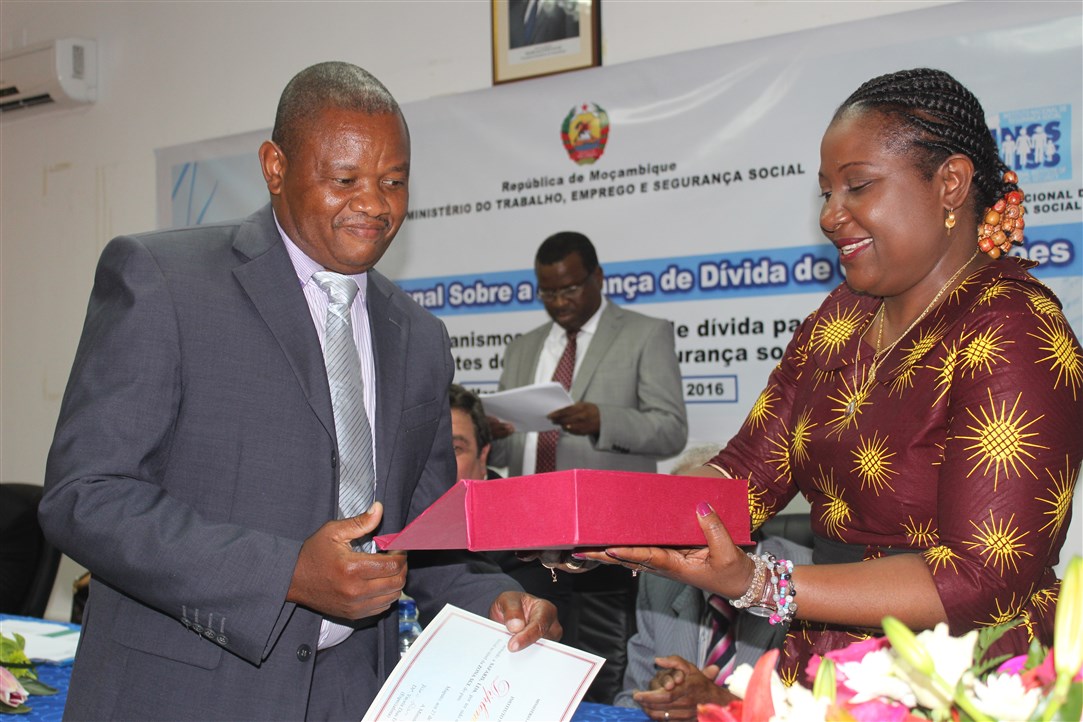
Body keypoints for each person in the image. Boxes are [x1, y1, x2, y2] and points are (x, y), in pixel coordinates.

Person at [39, 61, 559, 720]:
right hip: (185, 697)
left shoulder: (419, 336)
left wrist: (492, 600)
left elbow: (421, 538)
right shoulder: (165, 282)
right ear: (275, 167)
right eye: (344, 180)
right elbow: (85, 496)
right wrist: (284, 572)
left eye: (393, 181)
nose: (374, 204)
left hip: (350, 696)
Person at [581, 68, 1083, 687]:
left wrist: (760, 583)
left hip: (964, 678)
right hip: (827, 667)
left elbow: (981, 578)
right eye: (825, 193)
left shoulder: (1015, 329)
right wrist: (596, 526)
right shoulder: (842, 316)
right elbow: (742, 477)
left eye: (857, 186)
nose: (829, 215)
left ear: (950, 183)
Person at [489, 230, 688, 703]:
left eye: (570, 288)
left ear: (597, 277)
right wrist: (490, 436)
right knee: (533, 668)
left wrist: (603, 420)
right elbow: (507, 451)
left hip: (609, 542)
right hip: (529, 542)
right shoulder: (523, 348)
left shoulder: (645, 334)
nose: (559, 302)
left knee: (605, 675)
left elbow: (671, 430)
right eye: (548, 292)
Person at [615, 447, 813, 721]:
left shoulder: (806, 574)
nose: (698, 524)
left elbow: (820, 707)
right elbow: (630, 699)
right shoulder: (658, 581)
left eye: (705, 509)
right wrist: (660, 698)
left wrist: (719, 702)